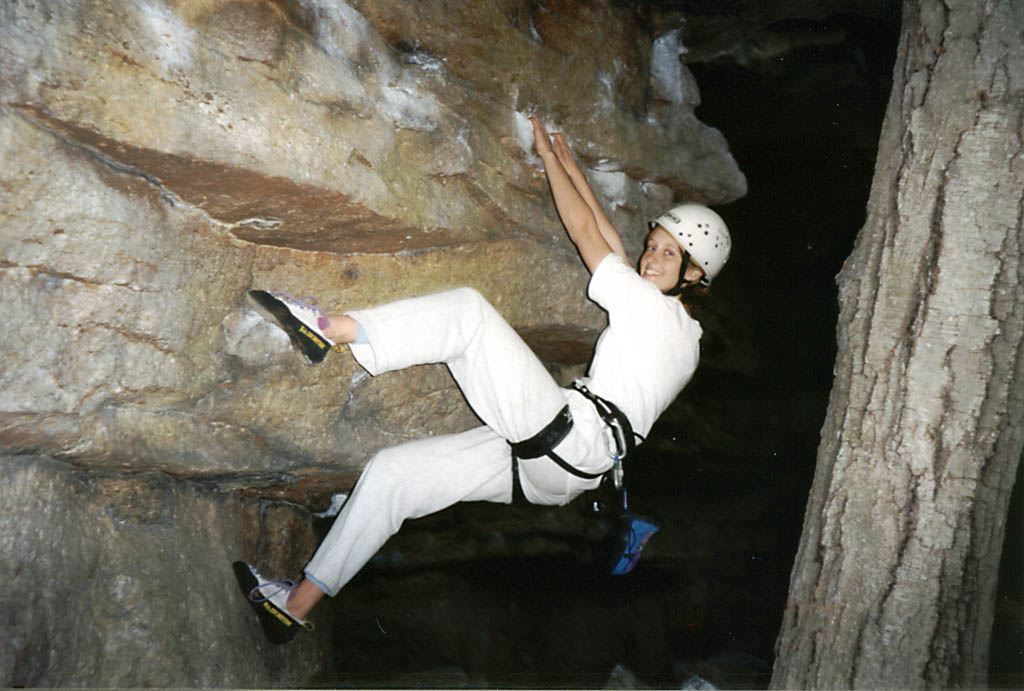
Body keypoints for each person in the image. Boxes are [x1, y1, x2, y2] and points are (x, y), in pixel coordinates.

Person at [233, 118, 731, 644]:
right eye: (652, 244)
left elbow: (589, 235)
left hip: (571, 440)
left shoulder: (653, 312)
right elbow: (612, 239)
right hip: (566, 475)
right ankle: (293, 605)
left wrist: (545, 155)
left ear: (696, 273)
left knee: (469, 315)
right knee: (395, 474)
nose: (651, 257)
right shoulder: (684, 336)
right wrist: (569, 164)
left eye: (668, 253)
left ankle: (328, 330)